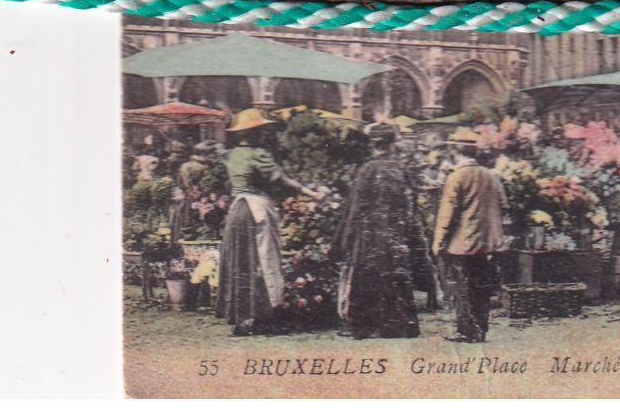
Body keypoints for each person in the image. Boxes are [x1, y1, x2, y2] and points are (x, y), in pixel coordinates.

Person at [216, 124, 324, 336]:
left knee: (240, 262)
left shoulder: (230, 154)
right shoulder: (258, 154)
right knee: (265, 260)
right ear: (253, 133)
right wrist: (310, 193)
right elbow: (281, 179)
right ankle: (267, 315)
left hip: (236, 210)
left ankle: (242, 317)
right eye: (261, 131)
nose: (265, 134)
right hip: (256, 209)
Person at [334, 123, 431, 339]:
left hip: (369, 235)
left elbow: (357, 206)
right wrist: (410, 233)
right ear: (391, 144)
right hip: (395, 234)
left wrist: (347, 236)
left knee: (366, 277)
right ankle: (401, 326)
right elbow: (412, 204)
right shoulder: (401, 169)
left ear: (373, 145)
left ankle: (364, 327)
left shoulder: (367, 170)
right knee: (396, 277)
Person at [433, 146, 507, 343]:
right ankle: (481, 328)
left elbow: (448, 212)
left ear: (456, 152)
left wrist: (439, 241)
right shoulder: (491, 176)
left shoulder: (456, 177)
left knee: (461, 287)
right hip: (488, 243)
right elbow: (504, 205)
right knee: (482, 287)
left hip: (462, 243)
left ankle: (466, 330)